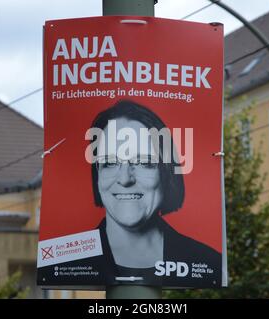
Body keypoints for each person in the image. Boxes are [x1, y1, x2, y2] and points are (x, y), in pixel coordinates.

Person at [87, 99, 222, 288]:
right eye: (109, 162)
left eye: (144, 162)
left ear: (165, 172)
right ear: (97, 175)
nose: (125, 179)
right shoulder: (66, 263)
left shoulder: (208, 262)